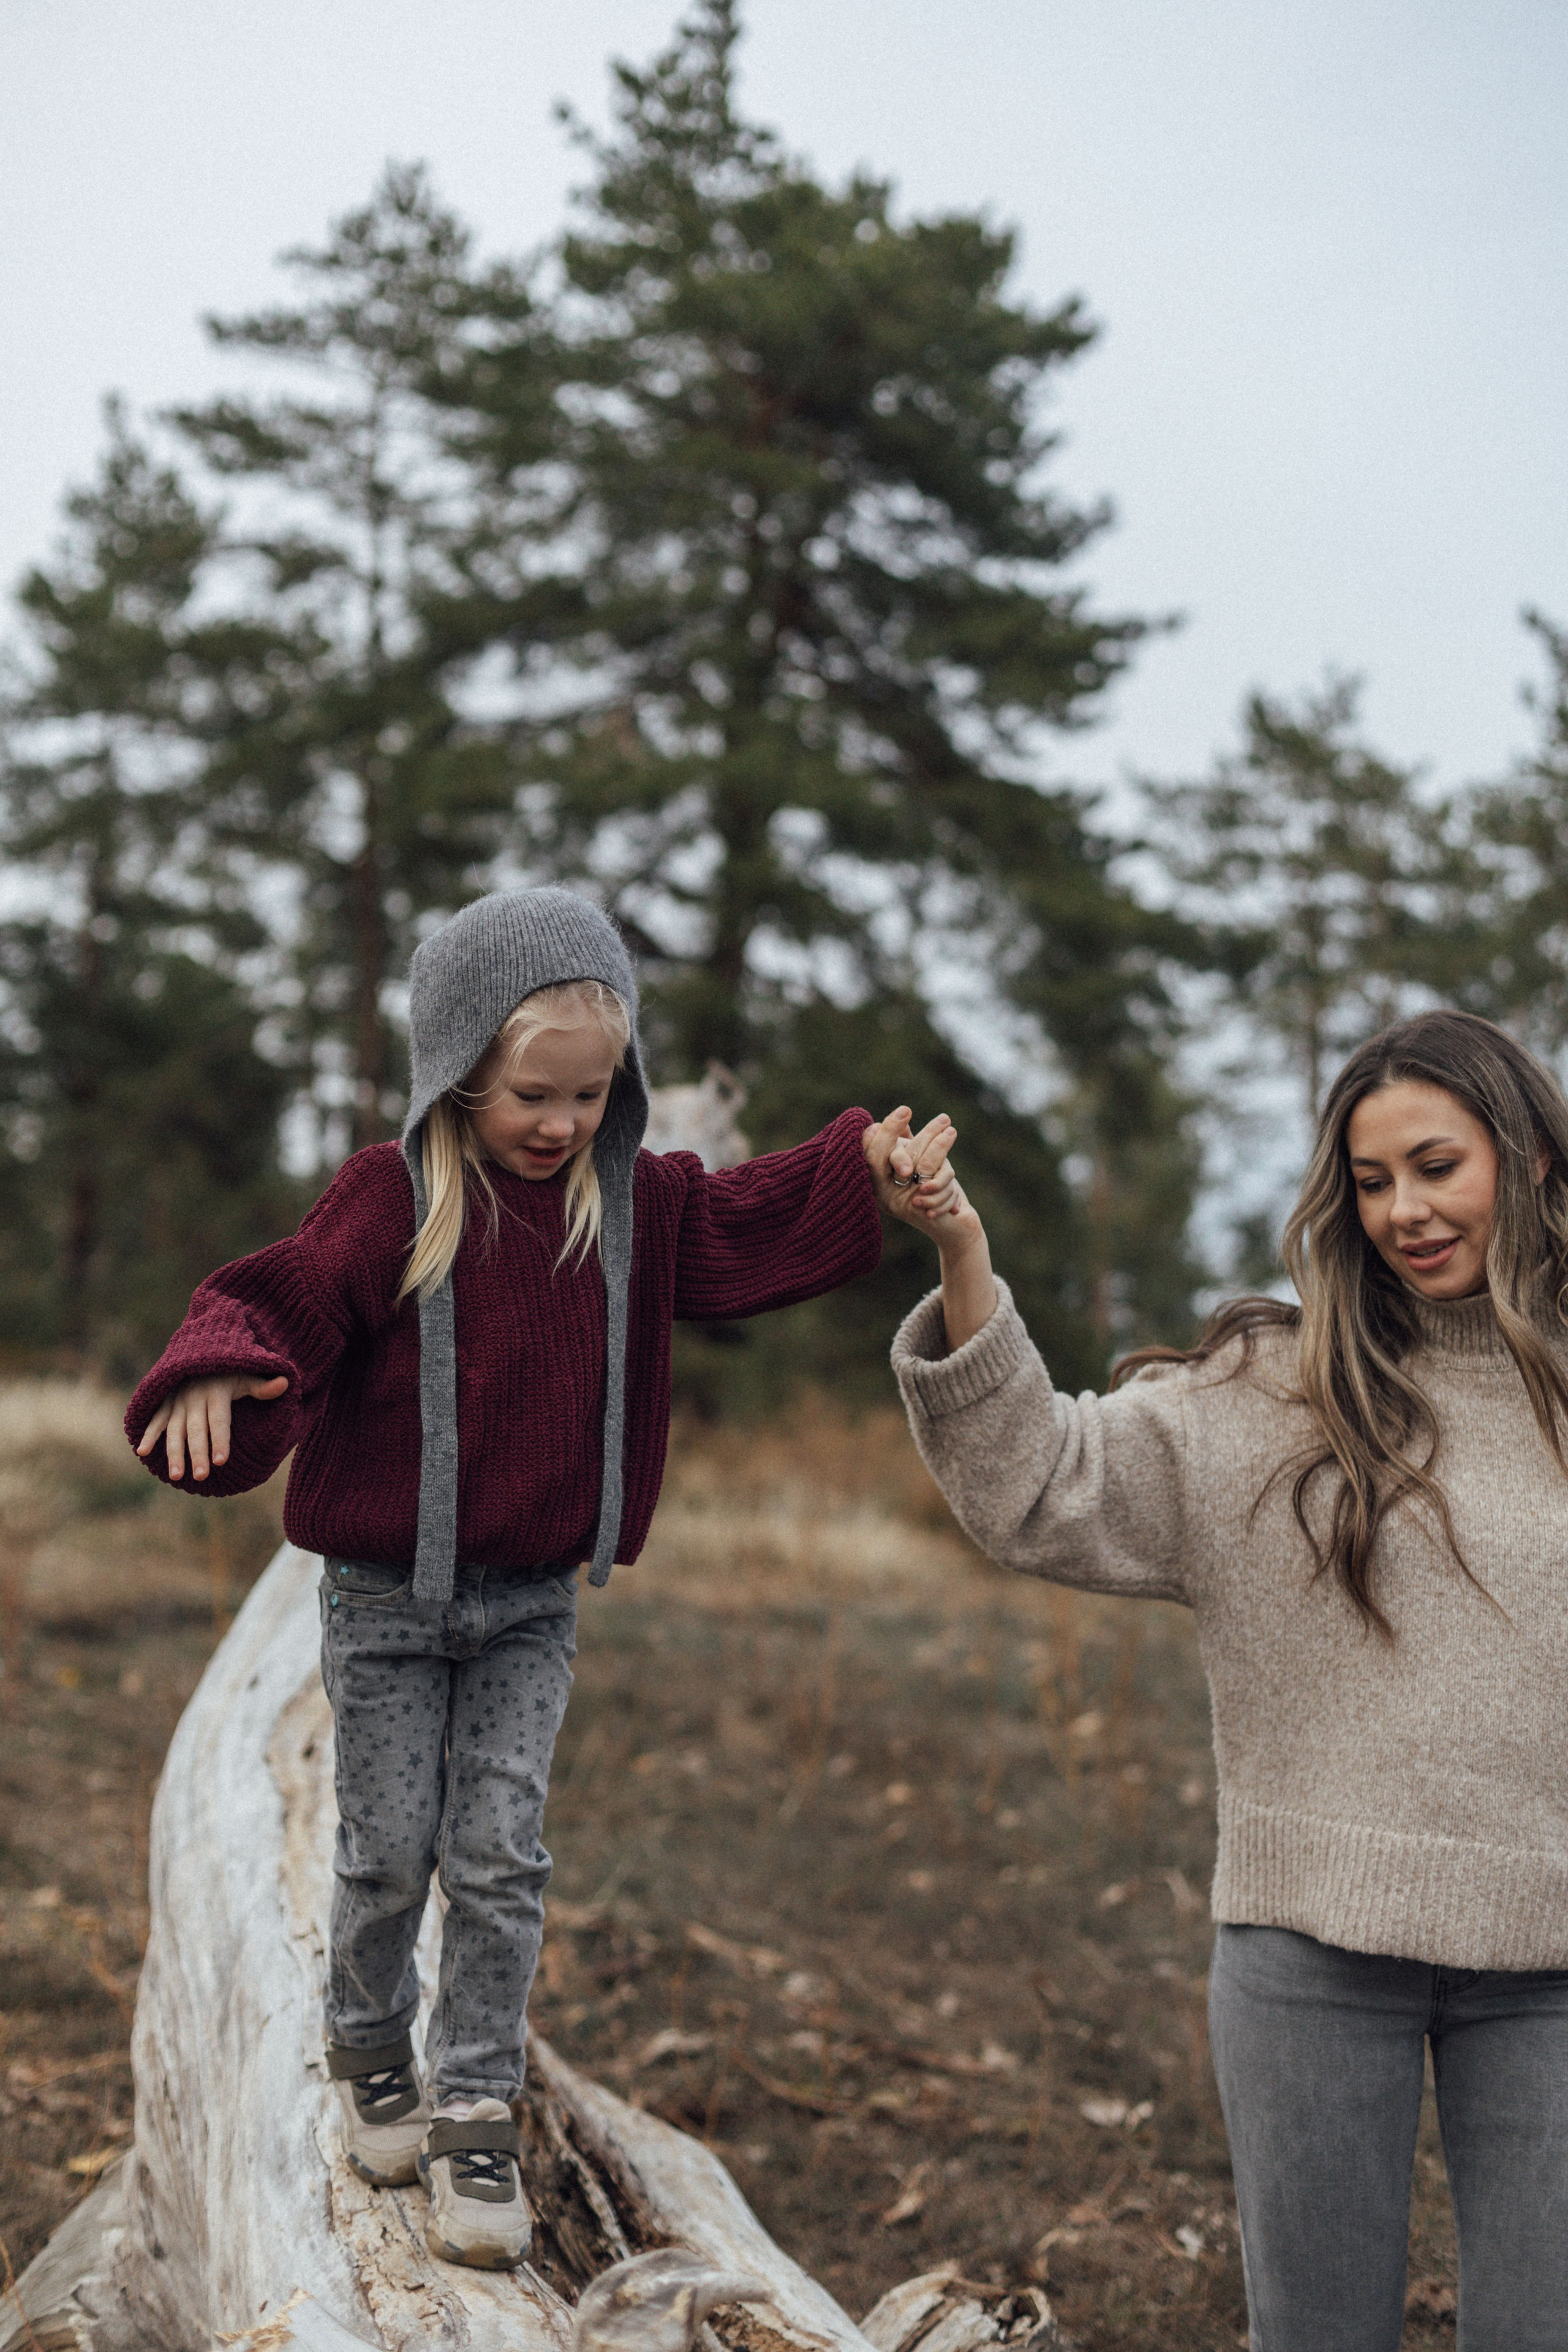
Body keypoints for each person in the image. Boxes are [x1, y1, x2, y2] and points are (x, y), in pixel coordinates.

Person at [126, 886, 941, 2272]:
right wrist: (213, 1368)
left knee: (498, 1857)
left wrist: (853, 1166)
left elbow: (746, 1216)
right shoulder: (390, 1200)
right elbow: (277, 1300)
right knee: (387, 1853)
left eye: (590, 1095)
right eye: (529, 1094)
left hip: (527, 1606)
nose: (559, 1123)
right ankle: (368, 2041)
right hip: (385, 1601)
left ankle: (472, 2106)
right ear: (453, 1071)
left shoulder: (628, 1208)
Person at [880, 1008, 1568, 2352]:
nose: (1403, 1211)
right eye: (1369, 1182)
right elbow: (1038, 1480)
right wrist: (961, 1251)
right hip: (1308, 1958)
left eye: (1436, 1166)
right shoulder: (1275, 1391)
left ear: (1534, 1162)